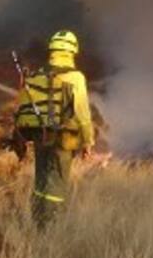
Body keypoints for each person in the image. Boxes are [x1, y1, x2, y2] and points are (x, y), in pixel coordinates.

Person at [14, 30, 95, 227]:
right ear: (72, 51)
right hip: (63, 137)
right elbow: (83, 114)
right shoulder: (75, 77)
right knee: (57, 182)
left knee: (41, 180)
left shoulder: (39, 74)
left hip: (39, 133)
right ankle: (51, 226)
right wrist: (88, 141)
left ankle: (37, 221)